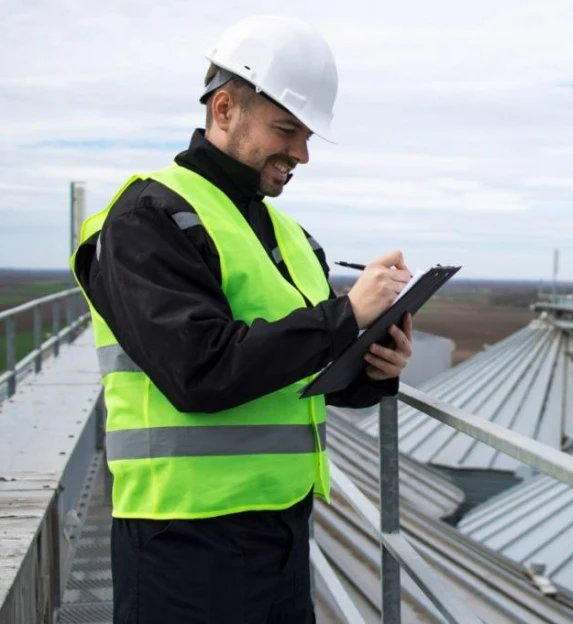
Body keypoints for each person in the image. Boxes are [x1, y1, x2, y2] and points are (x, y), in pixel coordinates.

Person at [69, 15, 412, 623]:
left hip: (282, 529)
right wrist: (345, 314)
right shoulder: (146, 218)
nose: (302, 154)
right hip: (183, 540)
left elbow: (301, 376)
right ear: (224, 109)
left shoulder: (290, 235)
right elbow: (198, 371)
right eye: (287, 130)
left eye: (307, 135)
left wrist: (373, 369)